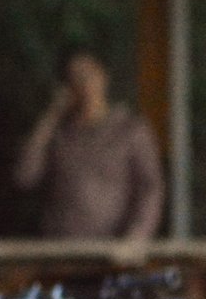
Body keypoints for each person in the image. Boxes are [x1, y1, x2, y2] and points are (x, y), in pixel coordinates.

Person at [14, 47, 163, 240]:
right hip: (60, 244)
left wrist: (135, 238)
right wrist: (51, 116)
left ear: (103, 76)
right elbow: (24, 176)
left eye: (89, 74)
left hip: (112, 245)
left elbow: (150, 187)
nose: (84, 83)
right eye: (75, 77)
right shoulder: (58, 133)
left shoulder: (130, 129)